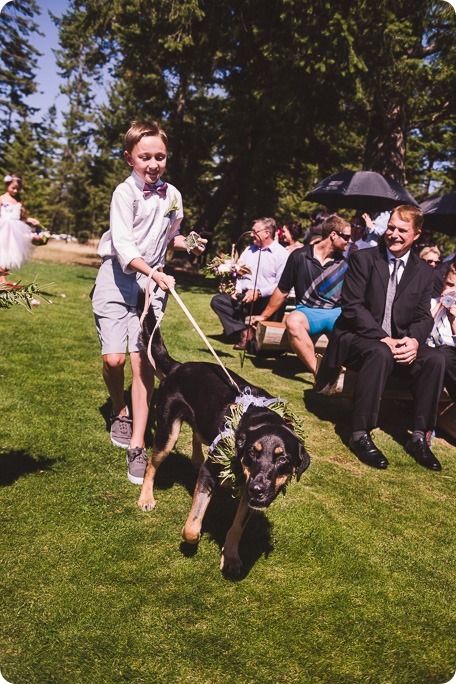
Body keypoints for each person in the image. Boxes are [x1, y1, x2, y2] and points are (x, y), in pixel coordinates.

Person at [91, 120, 206, 485]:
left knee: (143, 362)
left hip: (152, 285)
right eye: (145, 157)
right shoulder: (124, 194)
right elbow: (124, 246)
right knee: (114, 360)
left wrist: (188, 243)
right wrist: (152, 272)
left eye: (160, 156)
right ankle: (119, 408)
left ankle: (137, 444)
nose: (153, 163)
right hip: (116, 277)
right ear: (130, 158)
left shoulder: (173, 195)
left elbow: (167, 238)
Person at [315, 204, 446, 472]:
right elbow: (352, 307)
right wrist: (383, 338)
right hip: (356, 337)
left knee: (435, 358)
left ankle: (420, 436)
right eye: (390, 227)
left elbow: (424, 316)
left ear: (416, 234)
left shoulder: (424, 271)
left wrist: (414, 341)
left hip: (398, 341)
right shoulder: (363, 258)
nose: (394, 234)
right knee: (380, 351)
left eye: (402, 230)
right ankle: (360, 432)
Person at [251, 215, 351, 375]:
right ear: (333, 235)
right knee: (293, 321)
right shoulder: (299, 256)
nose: (349, 241)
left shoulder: (346, 264)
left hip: (335, 313)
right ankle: (320, 374)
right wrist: (264, 316)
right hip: (308, 312)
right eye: (346, 236)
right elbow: (282, 290)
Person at [210, 218, 288, 350]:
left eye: (254, 231)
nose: (251, 235)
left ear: (267, 233)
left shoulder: (281, 254)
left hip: (266, 299)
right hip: (245, 297)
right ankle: (244, 333)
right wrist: (238, 289)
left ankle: (259, 340)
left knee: (276, 301)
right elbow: (240, 274)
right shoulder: (248, 250)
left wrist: (258, 292)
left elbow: (280, 285)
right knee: (218, 301)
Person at [0, 173, 41, 283]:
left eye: (18, 189)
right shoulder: (2, 198)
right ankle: (2, 280)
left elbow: (19, 218)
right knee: (2, 253)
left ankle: (2, 279)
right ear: (7, 185)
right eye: (13, 188)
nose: (15, 191)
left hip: (15, 231)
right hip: (3, 228)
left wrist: (29, 220)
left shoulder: (18, 201)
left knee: (11, 256)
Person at [427, 264, 456, 403]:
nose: (452, 291)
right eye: (449, 285)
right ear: (443, 280)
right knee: (444, 355)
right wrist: (440, 305)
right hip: (433, 351)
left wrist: (453, 320)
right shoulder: (430, 303)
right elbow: (422, 329)